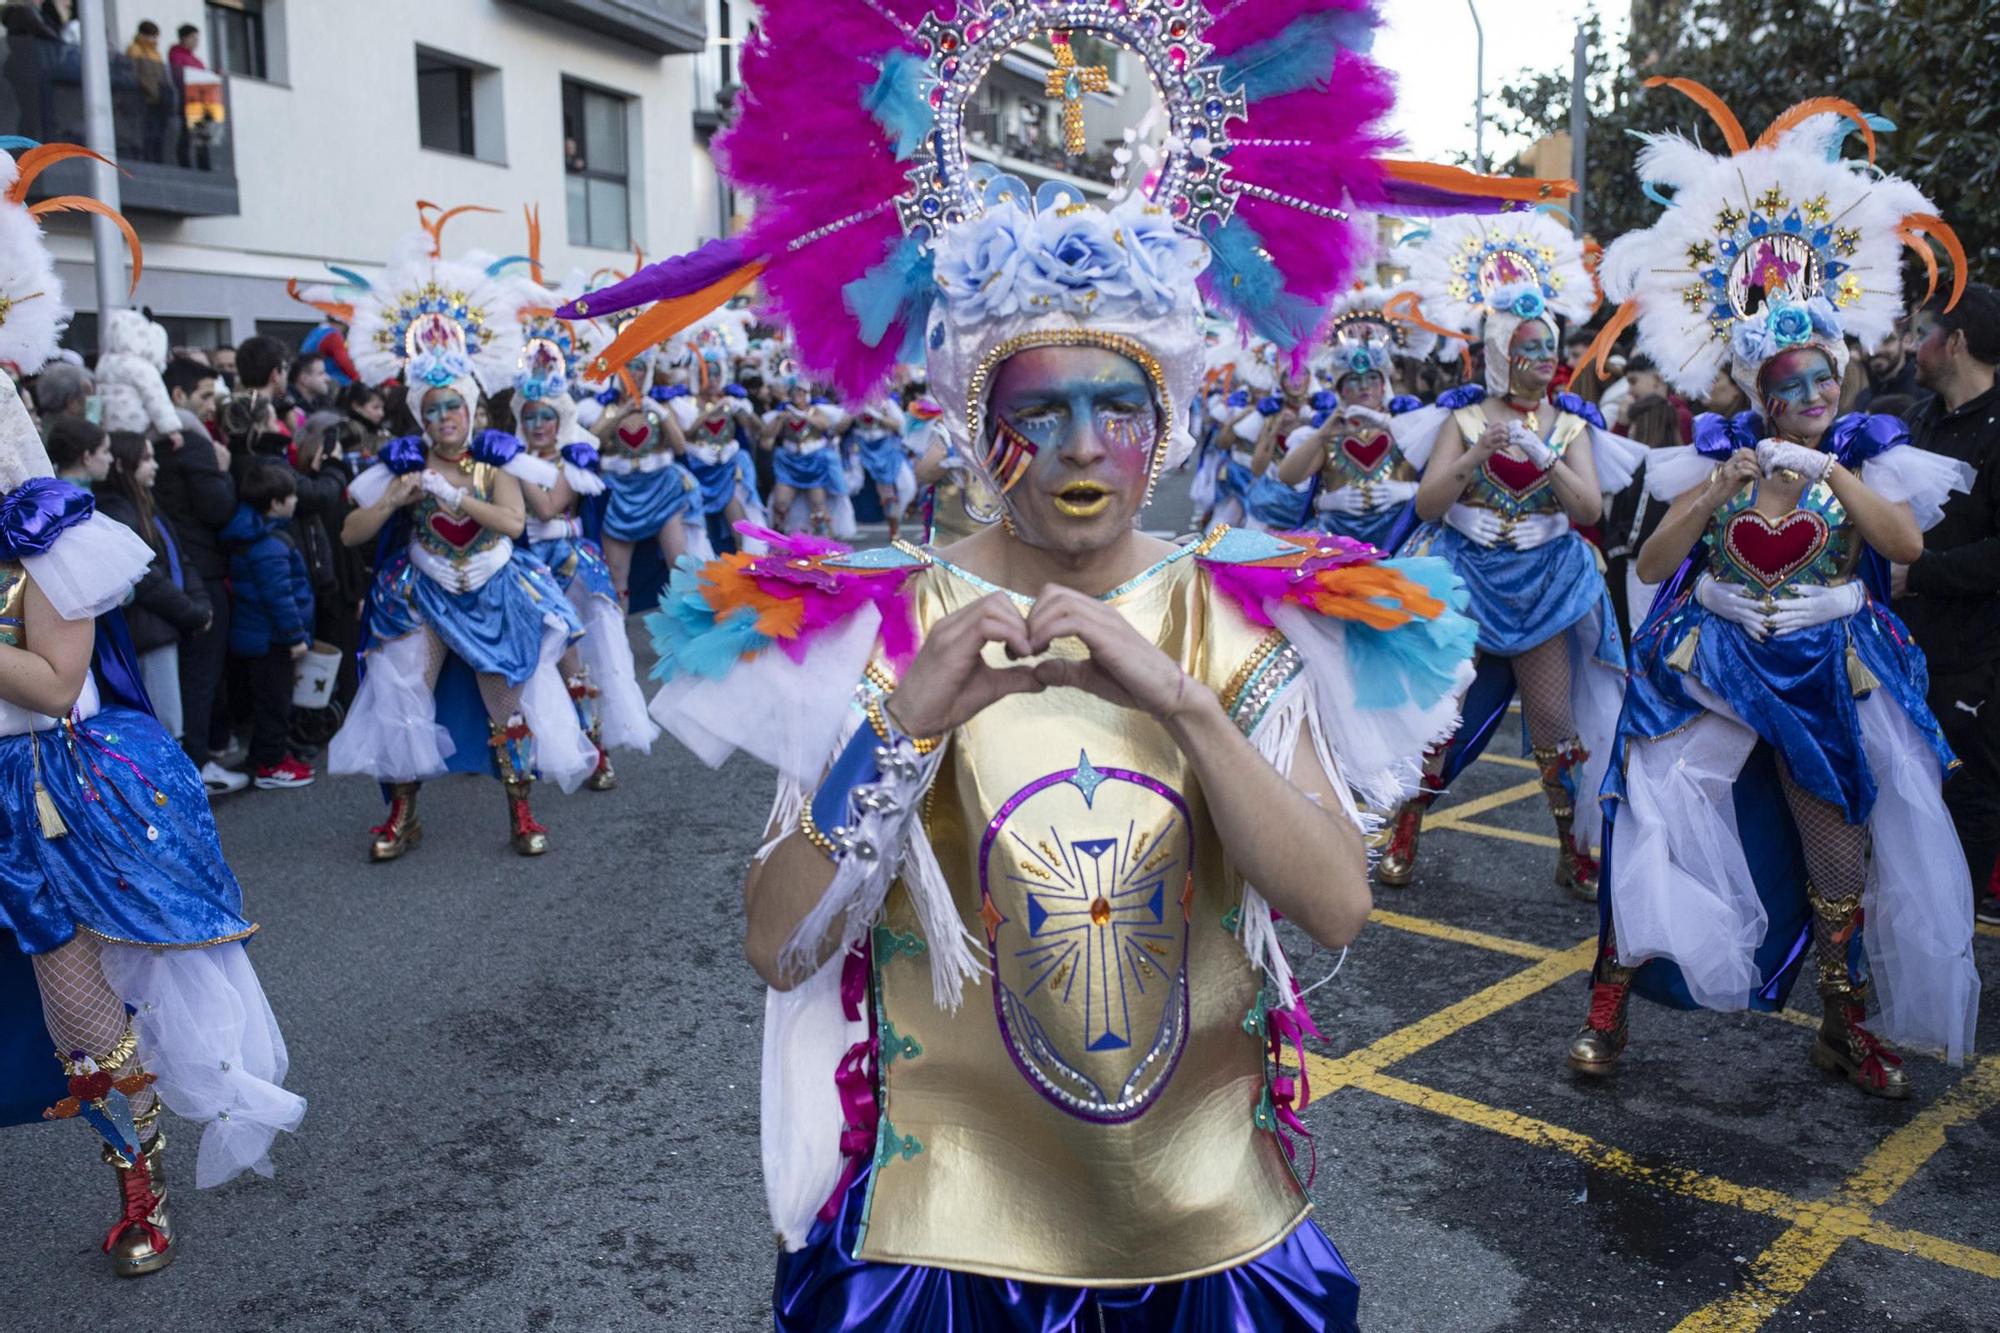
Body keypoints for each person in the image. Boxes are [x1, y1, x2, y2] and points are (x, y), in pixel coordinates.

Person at [563, 0, 1566, 1320]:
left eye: (1118, 408)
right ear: (986, 429)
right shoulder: (883, 625)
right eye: (1042, 411)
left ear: (1166, 425)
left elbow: (1337, 904)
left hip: (1213, 1243)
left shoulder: (1238, 622)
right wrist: (908, 719)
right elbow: (776, 940)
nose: (1084, 447)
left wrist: (1187, 709)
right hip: (942, 1253)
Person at [1572, 90, 1980, 1094]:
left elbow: (1905, 548)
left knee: (1838, 871)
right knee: (1654, 828)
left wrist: (1835, 473)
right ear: (1758, 390)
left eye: (1821, 380)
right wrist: (1718, 479)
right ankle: (1608, 1009)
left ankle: (1841, 1027)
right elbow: (1660, 565)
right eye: (1789, 386)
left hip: (1820, 673)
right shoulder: (1719, 459)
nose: (1810, 399)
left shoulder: (1867, 455)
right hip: (1710, 670)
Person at [0, 139, 302, 1281]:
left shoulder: (45, 532)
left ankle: (138, 1180)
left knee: (82, 1014)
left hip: (41, 796)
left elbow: (50, 680)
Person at [1384, 210, 1647, 896]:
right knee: (1442, 714)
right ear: (1500, 351)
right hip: (1465, 577)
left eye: (1549, 348)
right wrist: (1474, 454)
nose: (1543, 361)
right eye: (1528, 348)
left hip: (1544, 585)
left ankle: (1571, 846)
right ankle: (1406, 823)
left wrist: (1547, 458)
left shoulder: (1571, 425)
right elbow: (1425, 506)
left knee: (1554, 725)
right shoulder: (1462, 418)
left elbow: (1590, 510)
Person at [328, 212, 593, 859]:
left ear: (472, 409)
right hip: (424, 589)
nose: (446, 416)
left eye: (455, 405)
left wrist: (457, 497)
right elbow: (350, 531)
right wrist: (394, 496)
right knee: (402, 692)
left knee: (506, 706)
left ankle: (521, 810)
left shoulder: (493, 463)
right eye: (435, 407)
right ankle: (403, 813)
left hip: (494, 589)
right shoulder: (399, 465)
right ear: (420, 413)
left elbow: (513, 522)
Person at [1895, 283, 2000, 924]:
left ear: (1955, 342)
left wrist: (1923, 572)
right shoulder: (1920, 420)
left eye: (1921, 333)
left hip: (1978, 661)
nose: (1910, 346)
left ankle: (1950, 944)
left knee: (1968, 794)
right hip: (1910, 650)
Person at [511, 331, 659, 789]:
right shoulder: (509, 459)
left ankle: (597, 750)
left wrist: (513, 465)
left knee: (581, 659)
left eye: (547, 417)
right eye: (530, 417)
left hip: (572, 566)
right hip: (525, 567)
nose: (538, 426)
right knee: (527, 661)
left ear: (561, 420)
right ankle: (527, 747)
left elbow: (547, 507)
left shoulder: (575, 457)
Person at [1278, 288, 1439, 551]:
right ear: (1340, 389)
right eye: (1353, 380)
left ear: (1383, 384)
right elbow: (1289, 476)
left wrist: (1410, 490)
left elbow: (1437, 478)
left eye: (1372, 379)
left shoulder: (1407, 421)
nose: (1364, 387)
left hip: (1400, 537)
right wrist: (1326, 500)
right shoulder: (1329, 431)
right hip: (1338, 542)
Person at [153, 358, 242, 793]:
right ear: (178, 396)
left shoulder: (154, 441)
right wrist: (223, 469)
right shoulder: (192, 442)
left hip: (174, 566)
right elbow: (218, 508)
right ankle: (198, 763)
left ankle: (198, 757)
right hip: (198, 570)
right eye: (206, 395)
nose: (213, 405)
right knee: (201, 673)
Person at [94, 431, 210, 739]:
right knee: (164, 730)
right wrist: (193, 612)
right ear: (122, 465)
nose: (155, 465)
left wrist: (200, 604)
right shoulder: (117, 510)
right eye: (146, 459)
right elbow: (146, 576)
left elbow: (178, 558)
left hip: (164, 626)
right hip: (149, 633)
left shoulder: (146, 506)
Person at [220, 462, 315, 790]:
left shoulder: (253, 535)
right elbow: (279, 597)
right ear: (275, 504)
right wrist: (295, 637)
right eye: (290, 497)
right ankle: (271, 765)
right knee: (275, 702)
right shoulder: (269, 545)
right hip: (272, 638)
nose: (295, 502)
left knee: (268, 701)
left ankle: (264, 755)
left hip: (259, 636)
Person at [95, 310, 182, 445]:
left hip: (108, 429)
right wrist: (171, 430)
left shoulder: (103, 364)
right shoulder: (142, 366)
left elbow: (96, 398)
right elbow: (156, 399)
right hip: (137, 428)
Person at [125, 20, 171, 163]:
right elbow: (136, 74)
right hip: (143, 97)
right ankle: (146, 157)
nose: (155, 40)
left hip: (158, 99)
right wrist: (149, 89)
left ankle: (156, 157)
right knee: (145, 130)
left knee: (157, 132)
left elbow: (162, 76)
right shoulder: (135, 49)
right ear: (143, 35)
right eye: (153, 36)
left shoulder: (156, 53)